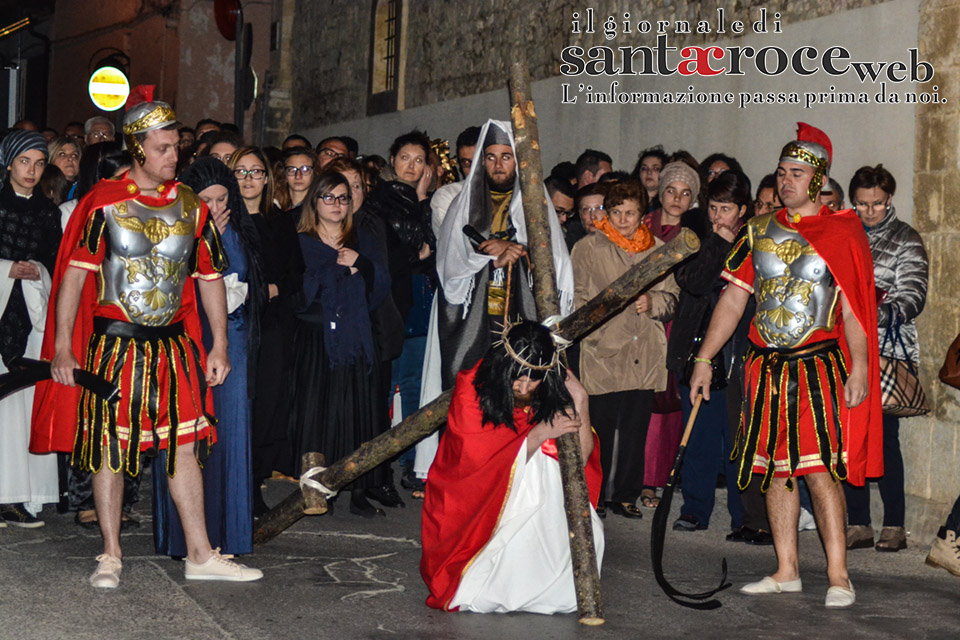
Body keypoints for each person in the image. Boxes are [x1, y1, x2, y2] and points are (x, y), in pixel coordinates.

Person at [31, 100, 262, 588]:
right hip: (116, 346)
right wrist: (62, 347)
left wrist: (218, 343)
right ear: (136, 148)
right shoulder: (103, 203)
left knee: (184, 445)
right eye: (162, 149)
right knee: (111, 447)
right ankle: (111, 554)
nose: (172, 156)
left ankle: (200, 553)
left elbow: (209, 276)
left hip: (175, 347)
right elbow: (75, 275)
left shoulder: (192, 206)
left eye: (176, 147)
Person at [689, 123, 882, 608]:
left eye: (797, 172)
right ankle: (787, 569)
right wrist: (704, 358)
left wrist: (859, 368)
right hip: (764, 368)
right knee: (776, 470)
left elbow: (855, 308)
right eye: (781, 172)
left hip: (817, 367)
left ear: (818, 179)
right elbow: (735, 299)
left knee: (819, 470)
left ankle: (839, 575)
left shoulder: (843, 231)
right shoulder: (757, 230)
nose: (787, 180)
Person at [420, 321, 603, 613]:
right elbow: (471, 463)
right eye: (518, 379)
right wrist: (538, 435)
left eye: (533, 381)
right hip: (484, 513)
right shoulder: (472, 388)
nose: (524, 387)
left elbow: (579, 461)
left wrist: (582, 400)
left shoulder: (551, 389)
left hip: (543, 508)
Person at [152, 156, 268, 557]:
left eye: (222, 199)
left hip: (229, 340)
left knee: (230, 435)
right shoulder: (172, 226)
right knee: (187, 435)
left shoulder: (237, 231)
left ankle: (228, 537)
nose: (216, 208)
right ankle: (186, 540)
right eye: (207, 199)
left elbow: (255, 283)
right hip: (186, 338)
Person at [572, 179, 678, 519]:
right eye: (616, 212)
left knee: (635, 430)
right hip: (604, 350)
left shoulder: (658, 249)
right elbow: (576, 297)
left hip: (644, 352)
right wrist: (594, 325)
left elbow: (672, 298)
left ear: (642, 215)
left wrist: (653, 302)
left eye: (630, 213)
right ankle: (597, 493)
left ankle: (626, 495)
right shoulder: (588, 248)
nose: (622, 220)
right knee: (598, 427)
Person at [288, 171, 390, 517]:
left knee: (356, 413)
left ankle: (358, 489)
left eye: (343, 197)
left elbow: (381, 285)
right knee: (318, 413)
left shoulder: (361, 239)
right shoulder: (300, 241)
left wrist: (359, 263)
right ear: (314, 202)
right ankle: (317, 488)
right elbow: (295, 291)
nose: (337, 205)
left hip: (355, 338)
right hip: (316, 339)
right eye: (328, 197)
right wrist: (333, 269)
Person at [844, 164, 928, 553]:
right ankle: (857, 522)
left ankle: (894, 524)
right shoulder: (845, 232)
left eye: (876, 204)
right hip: (845, 346)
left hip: (886, 348)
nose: (869, 211)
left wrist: (878, 310)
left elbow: (914, 294)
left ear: (889, 199)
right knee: (849, 437)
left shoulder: (906, 238)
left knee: (885, 440)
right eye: (862, 204)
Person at [667, 170, 752, 535]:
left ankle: (743, 516)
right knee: (697, 432)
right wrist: (716, 243)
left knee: (736, 437)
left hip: (736, 349)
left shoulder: (755, 238)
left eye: (727, 209)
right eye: (714, 207)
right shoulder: (694, 233)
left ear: (742, 210)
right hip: (695, 346)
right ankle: (695, 509)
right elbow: (693, 281)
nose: (719, 216)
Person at [363, 130, 436, 508]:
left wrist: (423, 199)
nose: (412, 165)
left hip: (418, 299)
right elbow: (412, 248)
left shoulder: (422, 199)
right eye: (405, 157)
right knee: (385, 384)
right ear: (393, 159)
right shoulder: (382, 198)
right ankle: (376, 466)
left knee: (413, 386)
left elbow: (430, 246)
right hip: (389, 299)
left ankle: (411, 461)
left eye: (419, 160)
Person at [0, 130, 62, 528]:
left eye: (40, 164)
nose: (32, 171)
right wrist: (6, 269)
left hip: (31, 314)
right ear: (9, 163)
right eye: (25, 162)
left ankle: (20, 494)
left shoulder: (48, 212)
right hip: (3, 305)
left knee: (22, 406)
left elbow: (55, 262)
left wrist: (35, 270)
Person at [642, 161, 702, 510]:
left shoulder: (694, 234)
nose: (677, 198)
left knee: (668, 406)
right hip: (641, 322)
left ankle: (660, 478)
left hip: (675, 325)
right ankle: (636, 478)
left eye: (685, 193)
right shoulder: (642, 225)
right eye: (671, 190)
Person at [631, 145, 668, 211]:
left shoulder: (667, 204)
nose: (649, 172)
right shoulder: (629, 200)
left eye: (656, 169)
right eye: (644, 168)